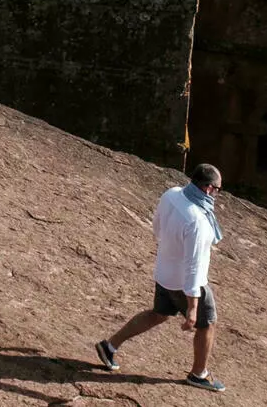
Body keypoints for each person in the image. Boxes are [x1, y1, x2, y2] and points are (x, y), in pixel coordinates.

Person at [93, 161, 227, 391]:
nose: (217, 195)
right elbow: (194, 266)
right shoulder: (198, 222)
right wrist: (192, 307)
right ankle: (198, 374)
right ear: (208, 189)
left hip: (164, 272)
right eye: (218, 190)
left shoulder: (172, 194)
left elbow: (157, 227)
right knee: (207, 324)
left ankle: (110, 346)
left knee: (159, 314)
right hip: (184, 283)